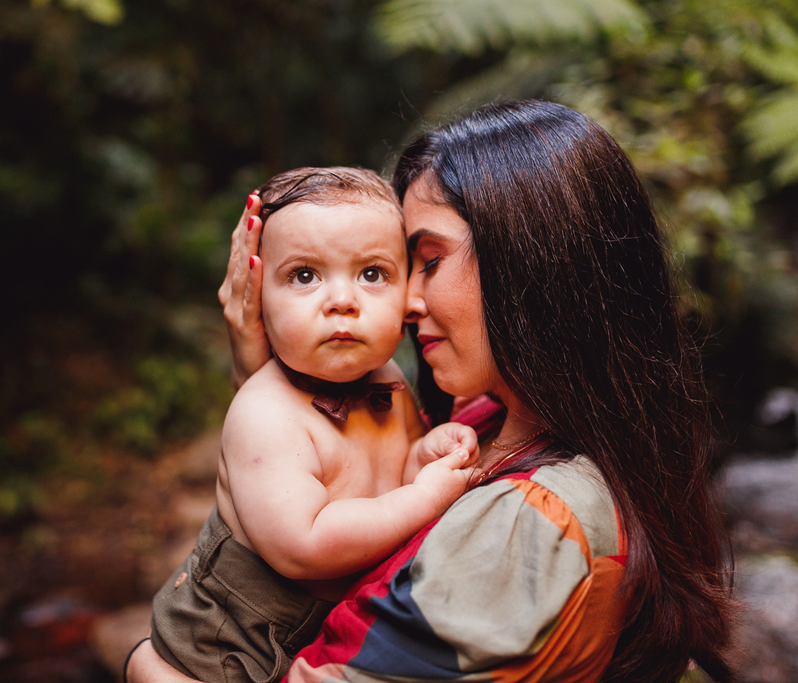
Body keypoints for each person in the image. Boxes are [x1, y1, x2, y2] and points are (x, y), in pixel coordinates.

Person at [128, 100, 734, 683]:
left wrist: (147, 669)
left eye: (426, 261)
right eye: (305, 275)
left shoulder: (529, 524)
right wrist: (261, 366)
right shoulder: (487, 419)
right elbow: (307, 466)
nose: (407, 303)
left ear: (529, 262)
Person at [147, 167, 480, 683]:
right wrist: (426, 498)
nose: (343, 300)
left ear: (407, 293)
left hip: (319, 633)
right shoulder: (265, 414)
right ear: (256, 298)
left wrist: (429, 453)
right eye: (304, 275)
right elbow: (305, 544)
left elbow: (400, 467)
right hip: (229, 644)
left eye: (372, 274)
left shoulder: (387, 378)